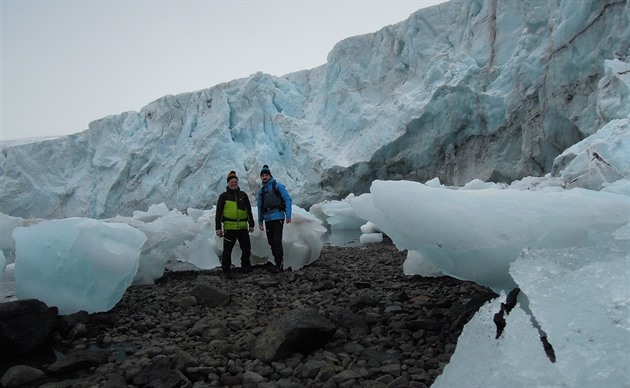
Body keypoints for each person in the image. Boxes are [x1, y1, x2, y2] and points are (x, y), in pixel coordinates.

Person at [215, 171, 255, 279]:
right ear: (228, 183)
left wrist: (251, 223)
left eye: (235, 181)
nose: (233, 183)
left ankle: (245, 266)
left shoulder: (243, 195)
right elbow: (218, 213)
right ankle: (226, 270)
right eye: (231, 182)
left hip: (242, 227)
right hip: (230, 227)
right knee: (227, 250)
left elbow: (249, 210)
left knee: (246, 248)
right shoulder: (224, 196)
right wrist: (218, 228)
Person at [257, 164, 292, 272]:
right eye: (263, 175)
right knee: (271, 242)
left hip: (278, 217)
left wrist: (288, 215)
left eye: (266, 175)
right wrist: (260, 221)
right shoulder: (261, 191)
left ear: (270, 175)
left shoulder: (278, 186)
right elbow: (259, 206)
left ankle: (279, 264)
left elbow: (287, 199)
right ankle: (278, 262)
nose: (264, 177)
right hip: (267, 219)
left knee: (277, 241)